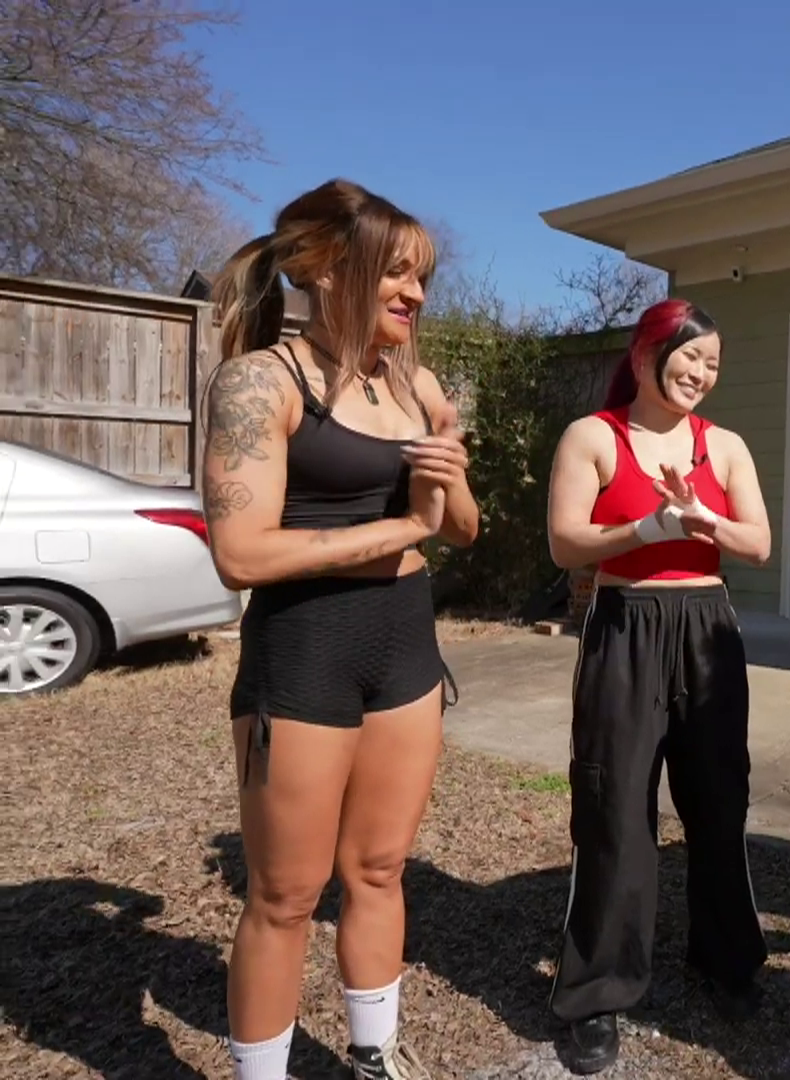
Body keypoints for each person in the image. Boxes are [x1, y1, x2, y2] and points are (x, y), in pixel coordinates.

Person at [202, 178, 478, 1080]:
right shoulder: (260, 381)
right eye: (397, 273)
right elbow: (241, 553)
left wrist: (447, 479)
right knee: (285, 896)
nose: (417, 294)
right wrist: (404, 528)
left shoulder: (416, 385)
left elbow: (460, 528)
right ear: (327, 269)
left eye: (422, 277)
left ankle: (373, 1056)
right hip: (305, 652)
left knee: (381, 870)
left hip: (404, 648)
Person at [543, 299, 773, 1074]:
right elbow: (565, 543)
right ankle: (597, 993)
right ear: (646, 355)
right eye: (690, 357)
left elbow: (759, 545)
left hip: (707, 627)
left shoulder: (725, 446)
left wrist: (700, 518)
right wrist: (644, 530)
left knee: (719, 800)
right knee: (614, 806)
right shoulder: (593, 436)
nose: (701, 373)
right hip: (625, 625)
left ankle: (727, 960)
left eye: (713, 363)